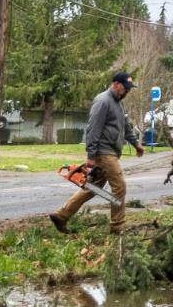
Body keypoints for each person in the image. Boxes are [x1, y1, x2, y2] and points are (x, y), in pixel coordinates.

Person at [49, 71, 144, 235]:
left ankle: (61, 215)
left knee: (92, 188)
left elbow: (126, 126)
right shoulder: (103, 101)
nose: (127, 91)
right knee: (120, 187)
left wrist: (135, 143)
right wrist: (91, 156)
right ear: (116, 84)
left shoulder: (119, 103)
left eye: (129, 88)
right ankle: (117, 228)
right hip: (103, 153)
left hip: (111, 153)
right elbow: (93, 129)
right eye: (125, 88)